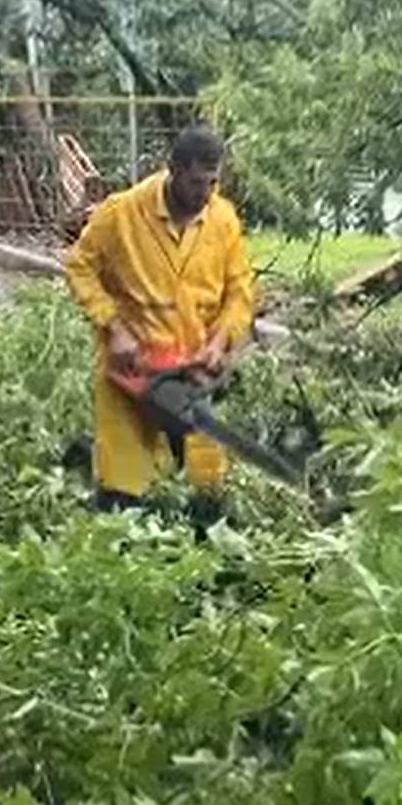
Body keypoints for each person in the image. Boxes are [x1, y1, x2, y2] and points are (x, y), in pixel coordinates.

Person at [65, 124, 257, 513]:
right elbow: (79, 267)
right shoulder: (121, 213)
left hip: (191, 373)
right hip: (131, 372)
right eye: (195, 183)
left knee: (209, 485)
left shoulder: (222, 220)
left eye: (212, 183)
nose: (204, 194)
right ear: (173, 169)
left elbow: (240, 291)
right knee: (123, 491)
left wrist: (219, 342)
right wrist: (113, 327)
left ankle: (202, 558)